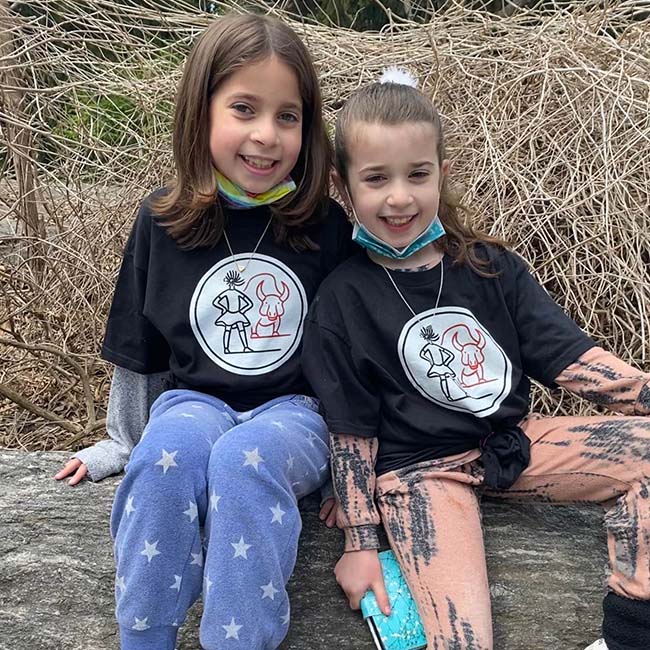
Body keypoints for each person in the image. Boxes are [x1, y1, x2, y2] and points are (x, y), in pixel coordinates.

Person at [302, 68, 650, 650]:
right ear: (344, 185)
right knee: (464, 639)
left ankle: (630, 636)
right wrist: (361, 541)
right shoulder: (340, 300)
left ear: (443, 170)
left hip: (512, 441)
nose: (399, 197)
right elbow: (350, 429)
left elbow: (569, 358)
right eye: (376, 178)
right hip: (419, 474)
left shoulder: (489, 267)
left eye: (418, 174)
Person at [54, 13, 350, 650]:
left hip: (296, 413)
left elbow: (353, 359)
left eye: (288, 116)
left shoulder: (326, 226)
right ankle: (145, 636)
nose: (266, 135)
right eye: (244, 108)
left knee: (244, 464)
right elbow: (140, 346)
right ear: (202, 111)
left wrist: (349, 473)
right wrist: (122, 445)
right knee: (168, 462)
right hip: (193, 402)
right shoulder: (164, 221)